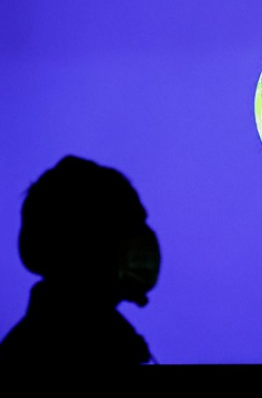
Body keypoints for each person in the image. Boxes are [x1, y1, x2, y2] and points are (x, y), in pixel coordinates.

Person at [0, 156, 160, 365]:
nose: (142, 243)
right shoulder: (45, 349)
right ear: (81, 244)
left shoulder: (115, 341)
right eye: (124, 228)